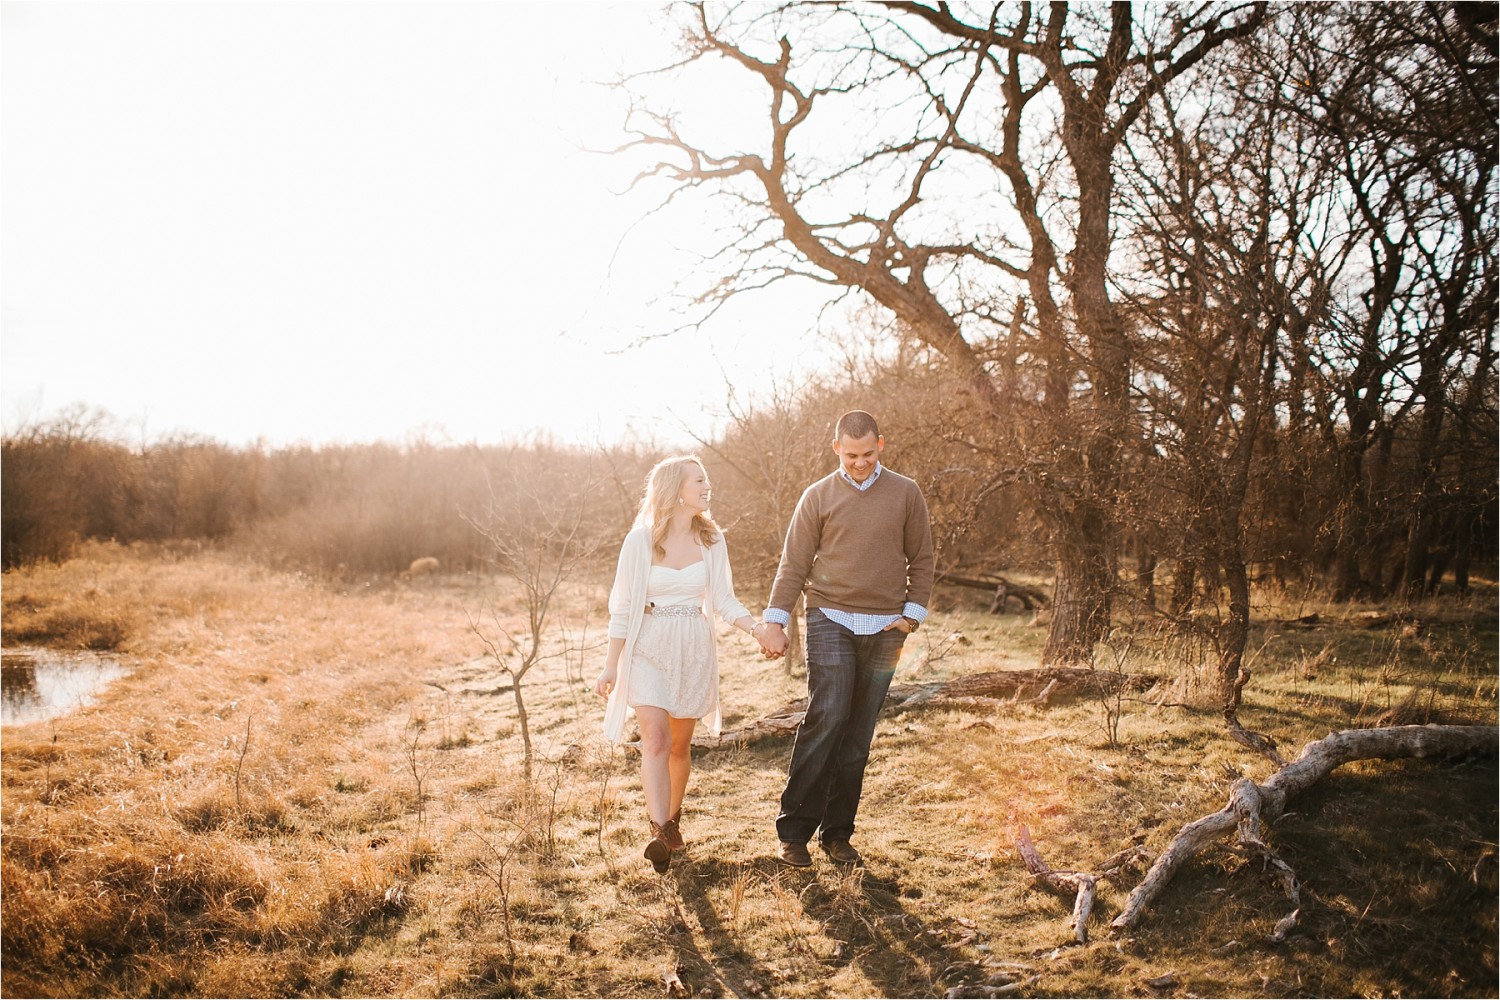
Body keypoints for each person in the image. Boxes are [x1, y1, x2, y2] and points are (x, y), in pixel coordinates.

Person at [758, 410, 934, 868]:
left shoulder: (906, 492)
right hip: (829, 615)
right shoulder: (817, 496)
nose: (860, 462)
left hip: (886, 626)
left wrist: (911, 616)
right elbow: (794, 563)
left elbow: (922, 558)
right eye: (851, 454)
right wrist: (775, 620)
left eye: (868, 454)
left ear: (881, 444)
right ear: (836, 448)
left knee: (857, 733)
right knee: (828, 715)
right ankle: (794, 833)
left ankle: (837, 835)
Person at [595, 455, 774, 873]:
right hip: (647, 647)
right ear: (676, 489)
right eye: (699, 480)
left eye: (706, 480)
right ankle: (659, 832)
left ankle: (673, 820)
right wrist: (611, 665)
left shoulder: (711, 541)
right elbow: (622, 607)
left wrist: (758, 629)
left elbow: (724, 600)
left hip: (692, 649)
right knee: (656, 740)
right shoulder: (639, 542)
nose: (708, 486)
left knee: (679, 746)